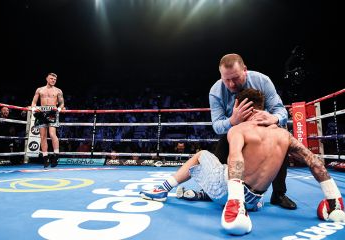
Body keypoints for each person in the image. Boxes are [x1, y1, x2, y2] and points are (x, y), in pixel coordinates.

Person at [140, 88, 345, 235]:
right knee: (229, 173)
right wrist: (333, 201)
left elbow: (236, 158)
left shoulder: (239, 129)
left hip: (230, 195)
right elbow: (314, 161)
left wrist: (235, 201)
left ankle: (162, 190)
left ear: (241, 106)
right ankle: (336, 207)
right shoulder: (284, 135)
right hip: (255, 201)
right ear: (262, 108)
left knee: (201, 155)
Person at [208, 53, 296, 209]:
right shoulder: (216, 91)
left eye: (235, 78)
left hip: (264, 129)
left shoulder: (262, 81)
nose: (231, 84)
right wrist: (232, 121)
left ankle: (279, 194)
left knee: (279, 141)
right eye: (226, 79)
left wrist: (272, 118)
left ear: (245, 70)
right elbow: (216, 125)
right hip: (236, 131)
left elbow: (281, 110)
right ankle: (214, 190)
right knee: (222, 144)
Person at [30, 72, 65, 168]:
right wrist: (33, 109)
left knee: (53, 134)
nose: (53, 80)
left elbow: (62, 104)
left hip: (52, 112)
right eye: (51, 78)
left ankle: (56, 156)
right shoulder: (39, 90)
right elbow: (33, 102)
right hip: (41, 112)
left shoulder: (58, 91)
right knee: (43, 136)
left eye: (55, 79)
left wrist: (58, 109)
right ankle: (45, 158)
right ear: (47, 79)